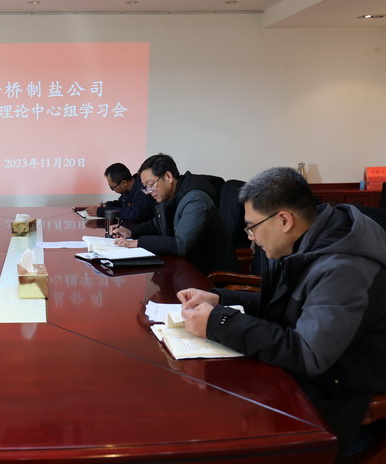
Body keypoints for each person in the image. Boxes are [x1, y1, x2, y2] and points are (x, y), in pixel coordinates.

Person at [177, 167, 386, 456]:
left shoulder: (343, 268)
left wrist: (219, 322)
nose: (251, 238)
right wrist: (219, 298)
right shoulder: (308, 241)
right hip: (304, 375)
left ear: (284, 220)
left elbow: (308, 355)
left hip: (338, 395)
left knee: (220, 432)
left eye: (252, 227)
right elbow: (283, 303)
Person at [111, 153, 237, 274]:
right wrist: (131, 232)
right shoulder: (171, 195)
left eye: (151, 184)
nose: (149, 191)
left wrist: (137, 243)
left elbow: (181, 245)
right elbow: (156, 224)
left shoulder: (196, 199)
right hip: (186, 267)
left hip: (210, 274)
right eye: (145, 187)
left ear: (168, 177)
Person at [83, 163, 156, 223]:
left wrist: (101, 212)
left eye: (113, 188)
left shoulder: (143, 189)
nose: (113, 190)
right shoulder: (128, 190)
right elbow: (121, 203)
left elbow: (133, 213)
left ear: (124, 183)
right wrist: (107, 205)